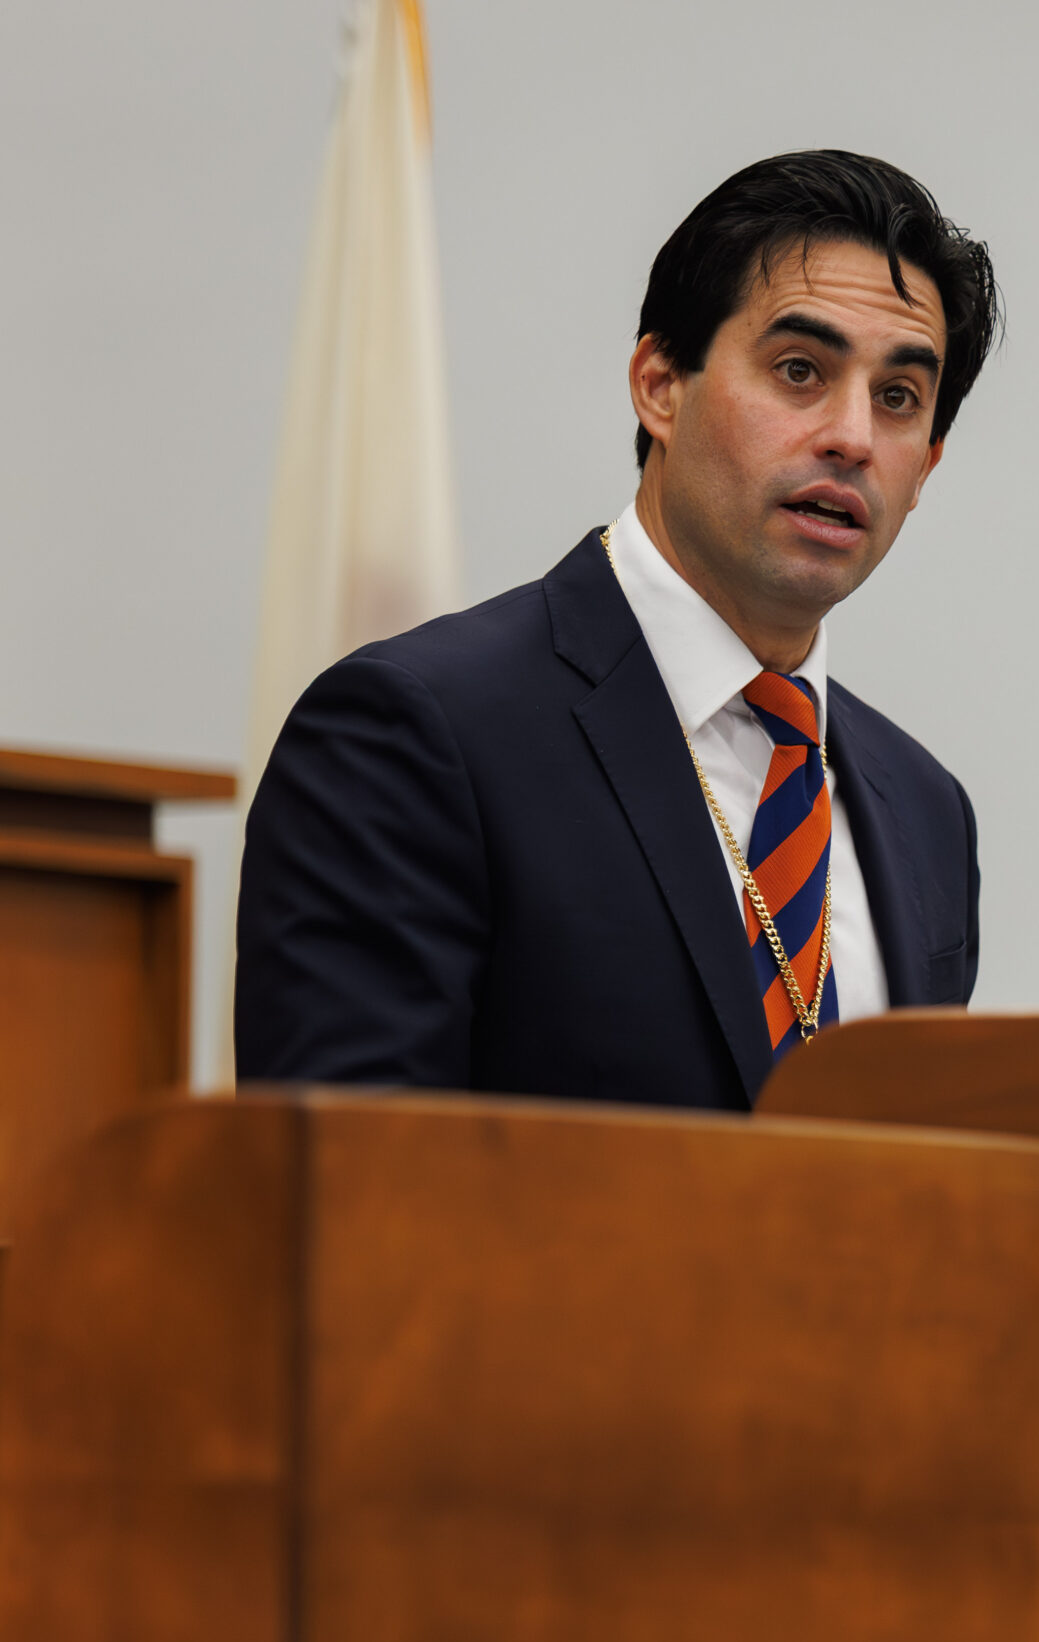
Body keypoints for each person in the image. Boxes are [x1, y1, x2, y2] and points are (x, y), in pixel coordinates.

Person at [237, 149, 997, 1108]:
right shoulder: (418, 736)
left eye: (898, 398)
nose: (852, 436)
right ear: (659, 385)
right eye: (800, 370)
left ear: (924, 467)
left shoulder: (924, 809)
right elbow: (346, 1199)